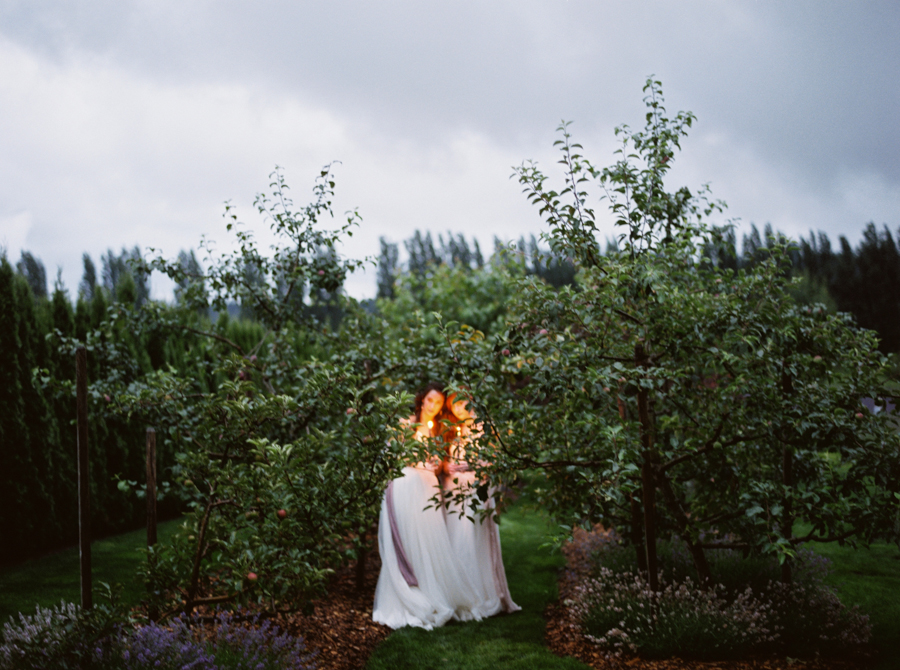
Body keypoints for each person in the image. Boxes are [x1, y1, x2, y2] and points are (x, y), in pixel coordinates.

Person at [372, 383, 490, 629]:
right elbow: (391, 456)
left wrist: (435, 464)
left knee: (427, 541)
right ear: (421, 400)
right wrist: (415, 459)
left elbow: (439, 465)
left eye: (438, 403)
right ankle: (407, 592)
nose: (433, 406)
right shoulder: (405, 424)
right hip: (405, 485)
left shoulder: (439, 430)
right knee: (407, 538)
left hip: (427, 488)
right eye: (430, 401)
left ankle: (431, 590)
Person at [442, 390, 520, 615]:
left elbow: (496, 462)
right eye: (454, 406)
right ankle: (456, 594)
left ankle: (477, 594)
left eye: (462, 403)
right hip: (453, 491)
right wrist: (448, 467)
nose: (459, 408)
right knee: (455, 538)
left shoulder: (485, 427)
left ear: (472, 401)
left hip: (476, 490)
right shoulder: (453, 429)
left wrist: (473, 465)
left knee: (471, 538)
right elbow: (445, 460)